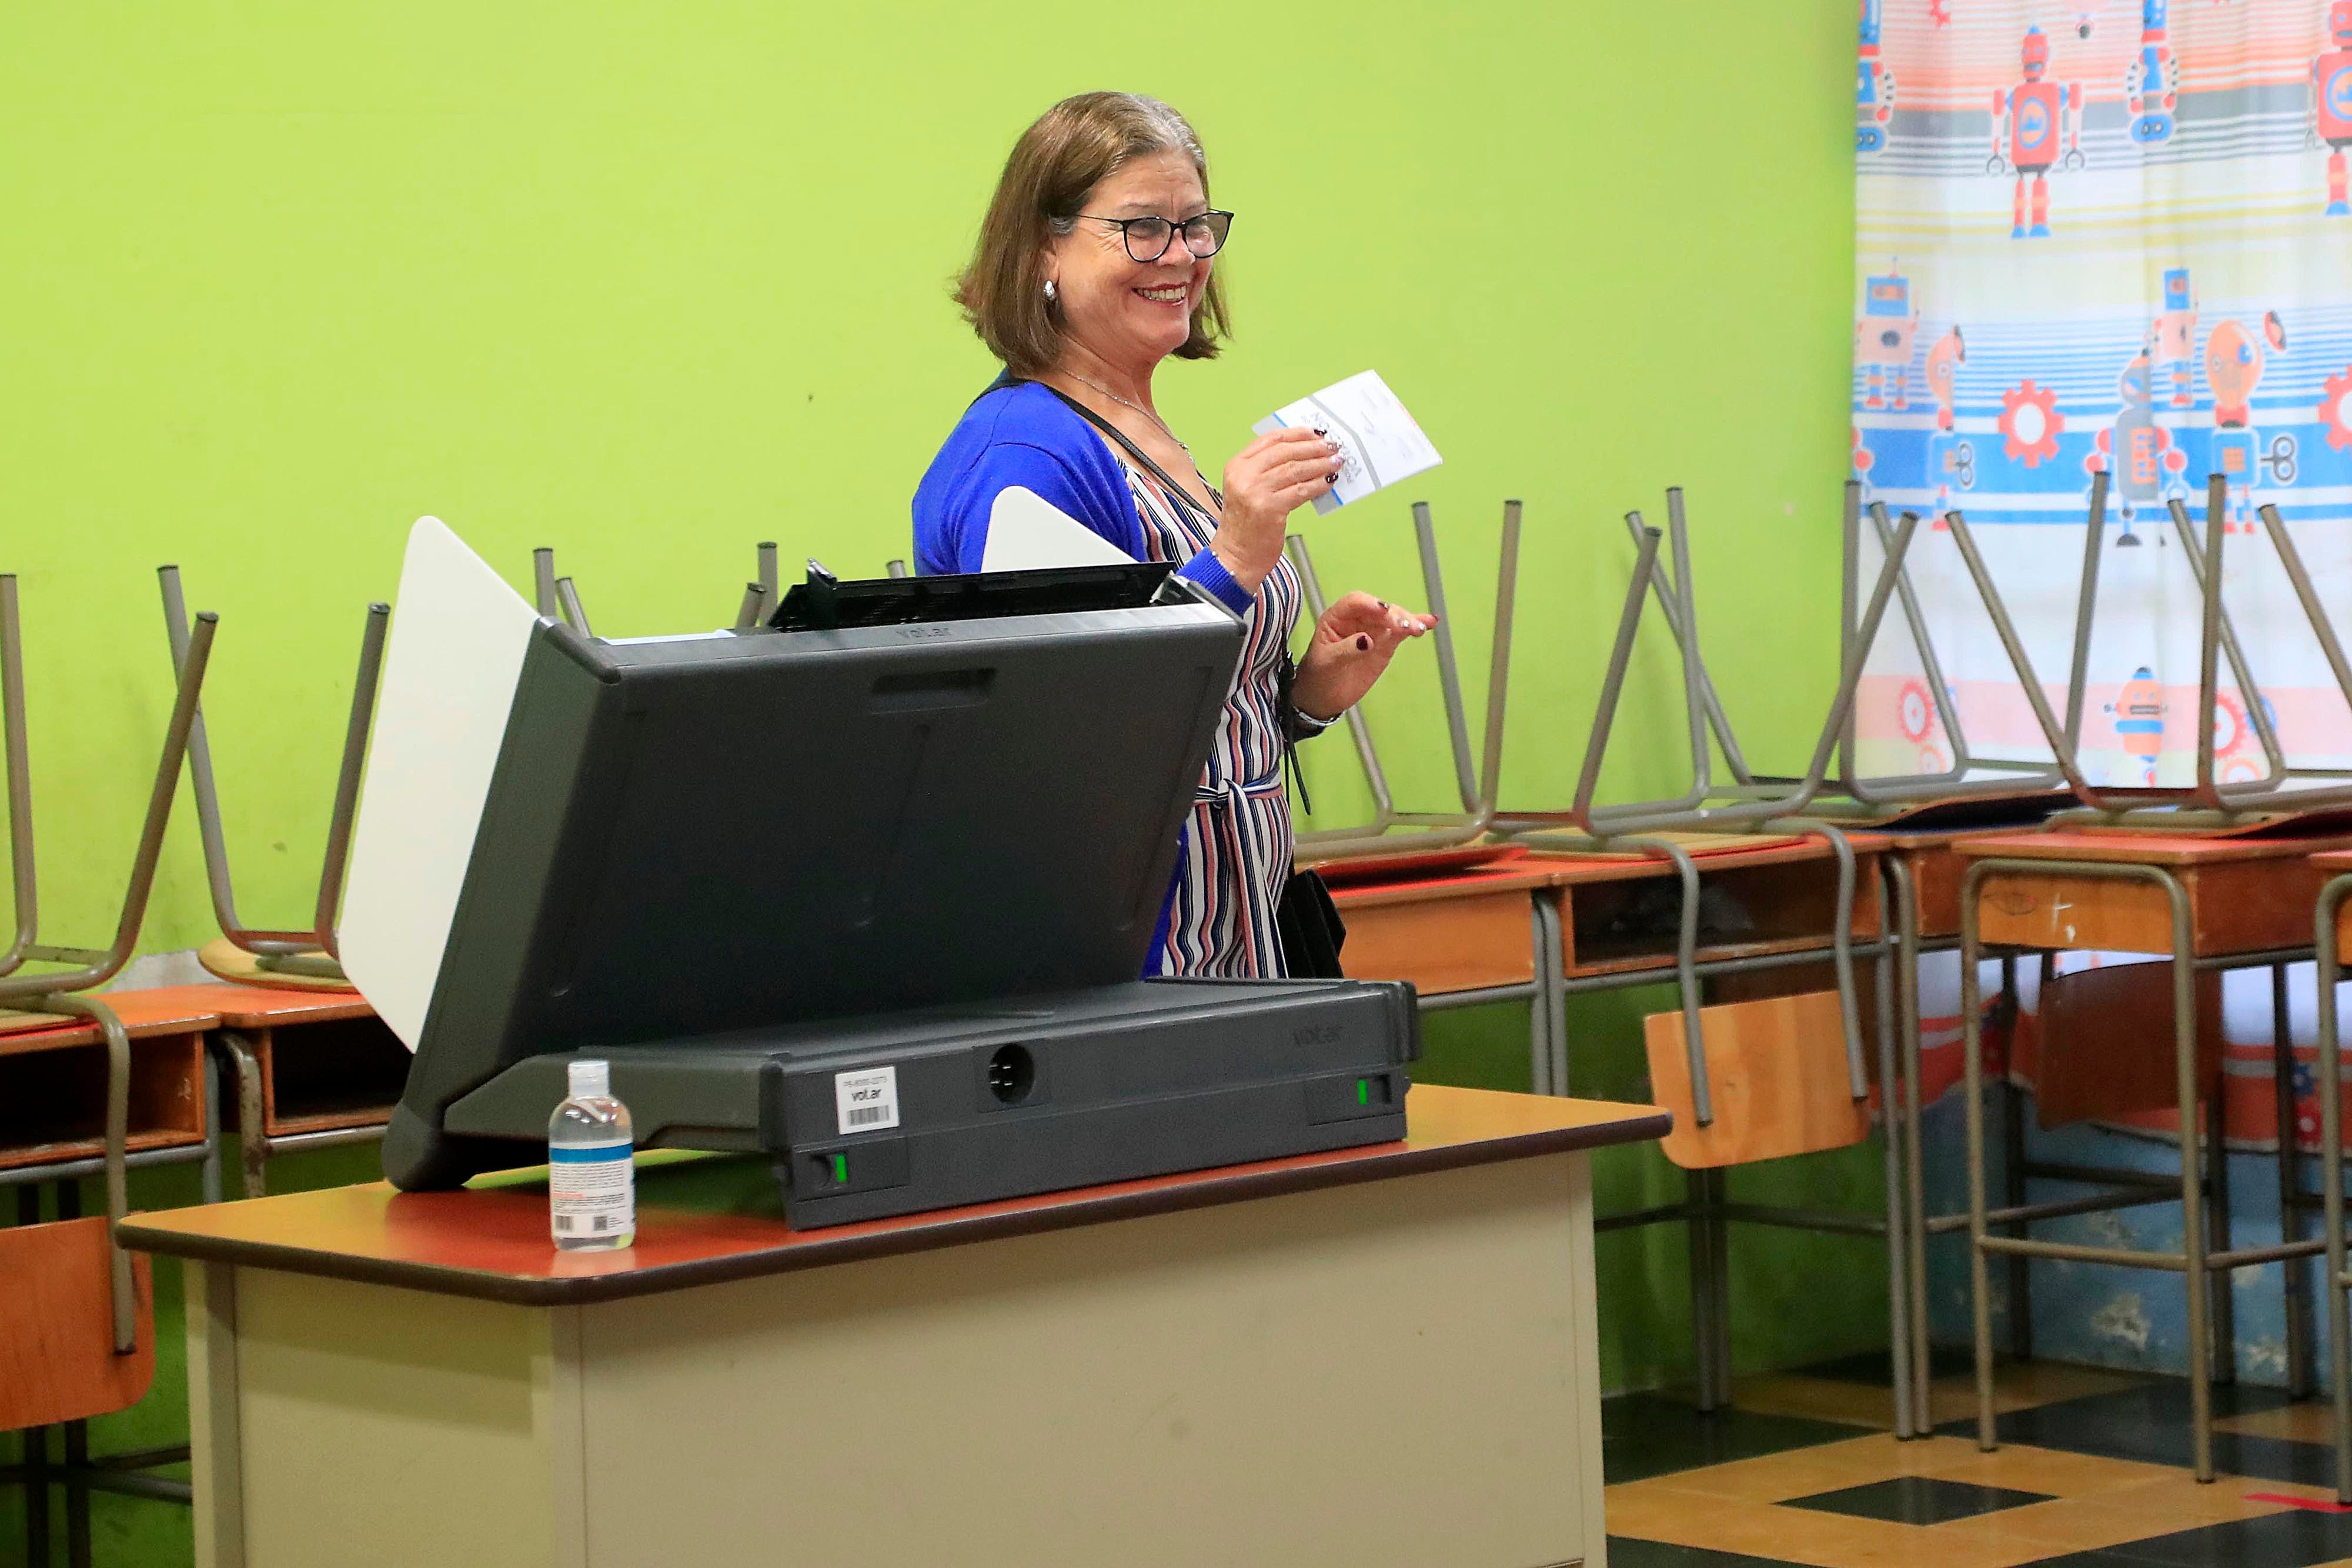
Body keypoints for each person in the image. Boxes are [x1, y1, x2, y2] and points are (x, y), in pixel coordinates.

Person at [913, 90, 1435, 980]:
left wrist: (1304, 699)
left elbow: (1192, 713)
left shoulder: (1137, 426)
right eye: (1142, 228)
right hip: (1119, 972)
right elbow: (1066, 729)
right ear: (1044, 245)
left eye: (1197, 226)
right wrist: (1233, 560)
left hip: (1233, 949)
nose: (1183, 256)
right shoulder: (1026, 456)